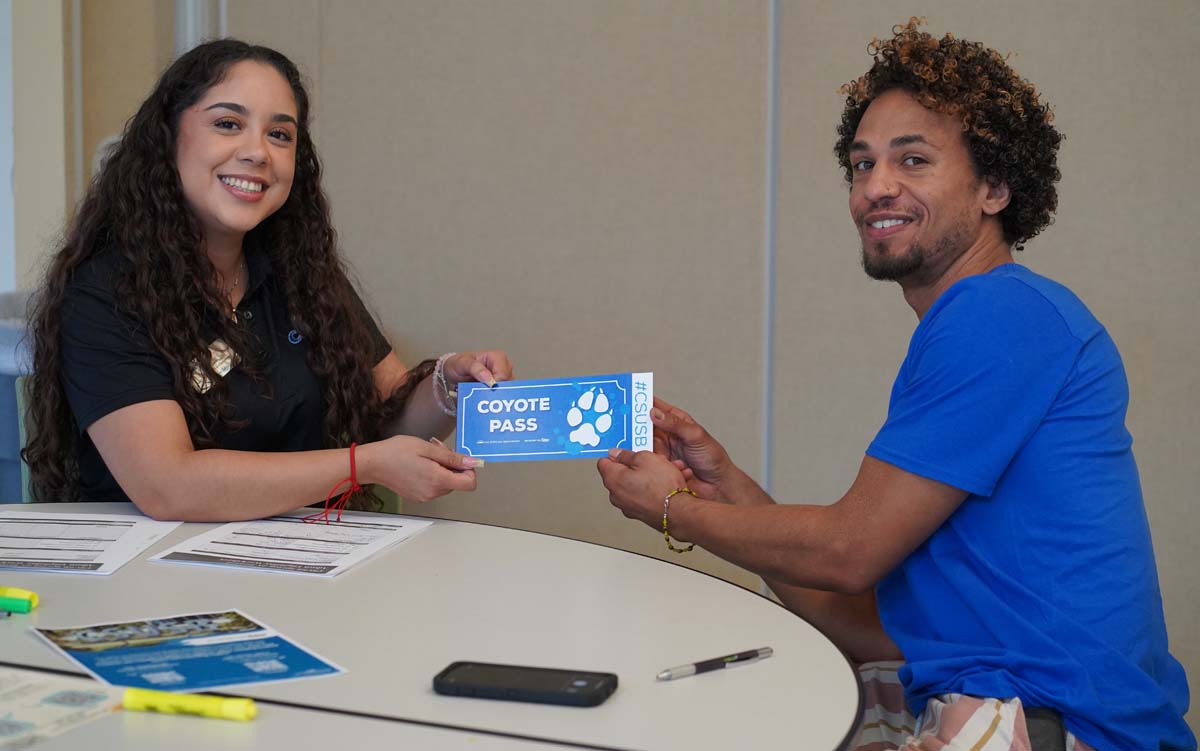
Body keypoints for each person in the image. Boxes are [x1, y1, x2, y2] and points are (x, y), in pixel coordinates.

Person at [597, 19, 1193, 751]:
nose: (876, 186)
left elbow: (849, 550)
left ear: (995, 187)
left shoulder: (999, 313)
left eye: (913, 160)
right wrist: (728, 491)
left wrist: (670, 508)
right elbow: (865, 619)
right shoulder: (978, 321)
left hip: (1061, 727)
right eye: (862, 164)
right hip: (1000, 702)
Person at [23, 39, 511, 520]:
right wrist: (363, 466)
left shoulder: (301, 273)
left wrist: (450, 386)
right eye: (228, 124)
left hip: (299, 566)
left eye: (280, 135)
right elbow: (167, 485)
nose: (257, 152)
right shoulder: (103, 291)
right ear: (169, 137)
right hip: (154, 579)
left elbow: (391, 416)